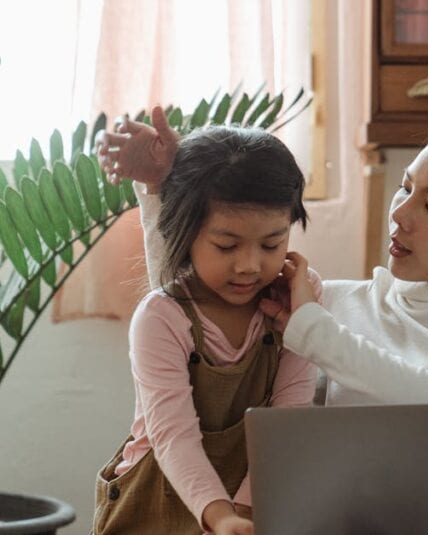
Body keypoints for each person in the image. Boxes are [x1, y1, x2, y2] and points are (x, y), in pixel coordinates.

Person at [100, 110, 428, 534]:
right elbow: (187, 305)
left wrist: (312, 328)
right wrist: (168, 182)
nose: (400, 214)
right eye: (406, 187)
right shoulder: (332, 303)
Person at [93, 124, 321, 535]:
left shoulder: (298, 296)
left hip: (249, 504)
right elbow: (173, 437)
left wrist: (244, 512)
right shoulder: (162, 317)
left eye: (272, 243)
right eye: (226, 246)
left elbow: (291, 412)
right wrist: (221, 516)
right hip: (152, 500)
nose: (250, 265)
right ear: (183, 231)